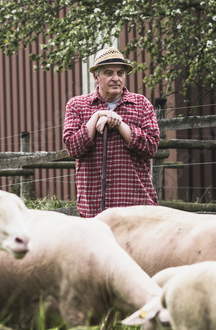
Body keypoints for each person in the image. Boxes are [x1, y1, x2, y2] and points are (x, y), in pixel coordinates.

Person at [63, 46, 160, 217]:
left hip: (135, 206)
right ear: (95, 77)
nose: (116, 78)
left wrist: (120, 125)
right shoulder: (77, 105)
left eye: (120, 73)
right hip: (93, 207)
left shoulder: (141, 104)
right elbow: (73, 148)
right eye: (108, 73)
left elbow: (151, 147)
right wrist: (96, 117)